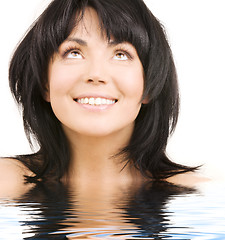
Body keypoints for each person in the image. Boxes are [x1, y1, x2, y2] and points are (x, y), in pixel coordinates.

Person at [0, 0, 200, 190]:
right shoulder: (7, 180)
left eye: (121, 54)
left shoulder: (194, 191)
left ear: (149, 84)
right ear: (45, 84)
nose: (96, 74)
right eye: (74, 53)